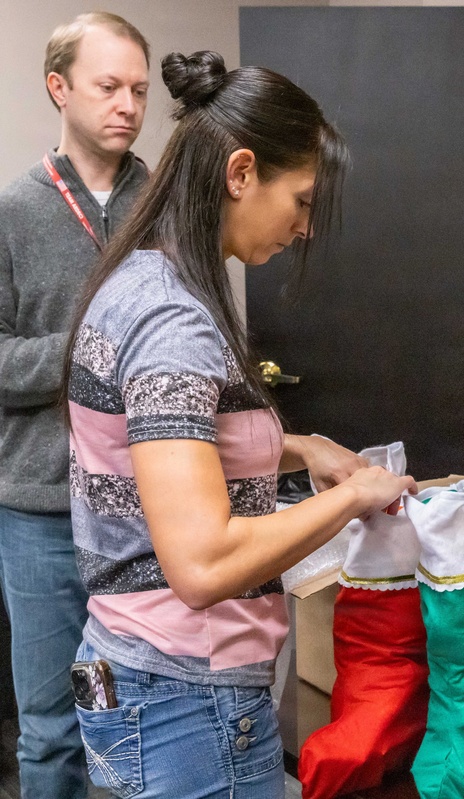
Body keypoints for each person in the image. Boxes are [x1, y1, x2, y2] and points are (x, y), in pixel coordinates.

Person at [62, 51, 414, 798]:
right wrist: (353, 498)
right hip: (186, 694)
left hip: (142, 675)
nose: (306, 227)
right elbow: (205, 563)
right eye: (302, 199)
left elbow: (162, 441)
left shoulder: (144, 280)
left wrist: (294, 447)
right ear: (242, 172)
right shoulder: (172, 324)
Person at [0, 13, 150, 797]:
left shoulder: (162, 203)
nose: (127, 104)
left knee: (131, 715)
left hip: (147, 507)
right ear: (59, 88)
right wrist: (83, 350)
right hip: (44, 515)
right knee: (54, 725)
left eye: (139, 90)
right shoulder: (13, 211)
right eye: (108, 87)